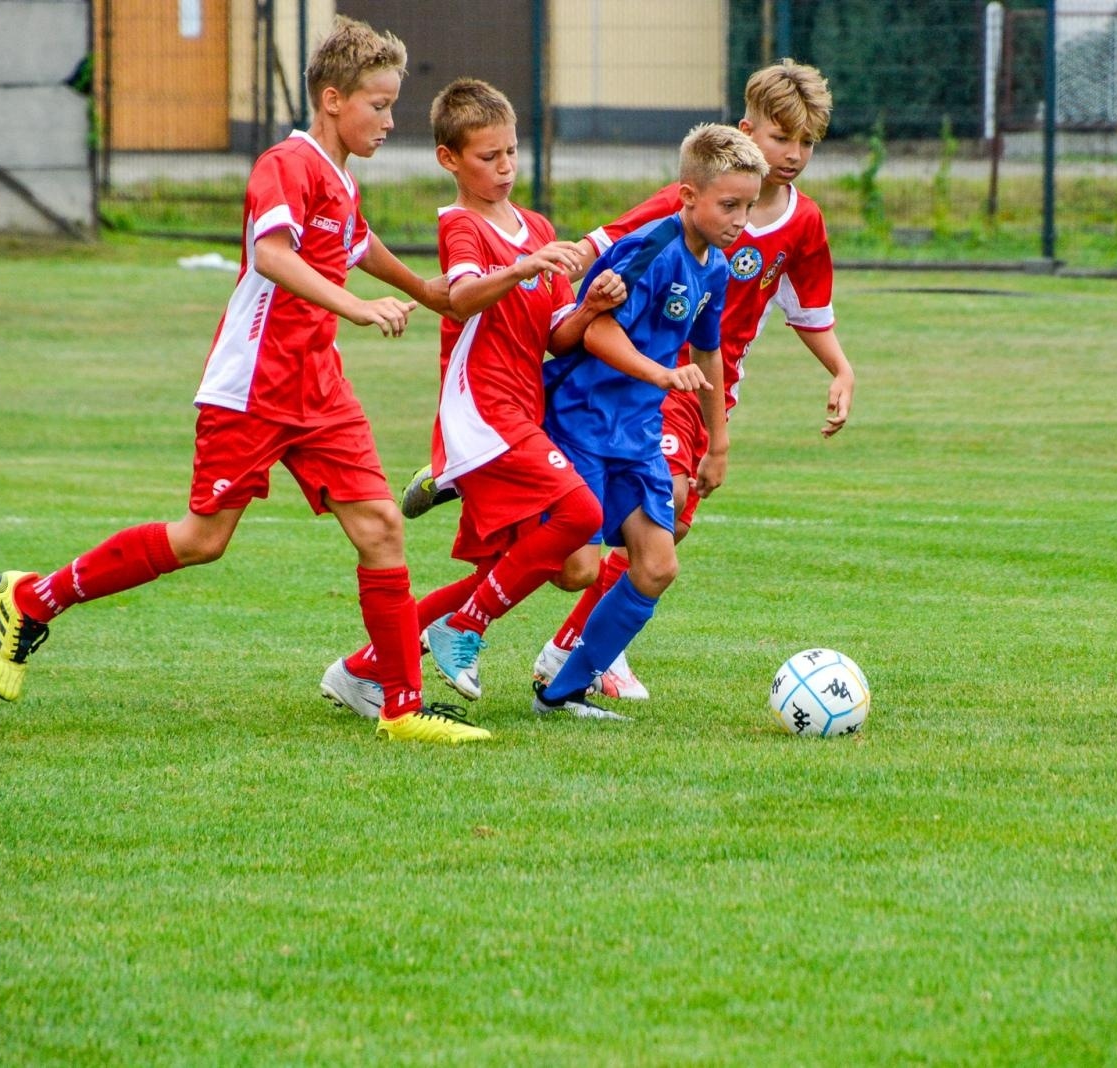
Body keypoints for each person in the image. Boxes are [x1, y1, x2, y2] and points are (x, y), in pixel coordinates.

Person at [0, 17, 487, 744]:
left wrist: (425, 290)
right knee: (202, 540)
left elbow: (356, 240)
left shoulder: (338, 180)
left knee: (379, 529)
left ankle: (402, 708)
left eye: (392, 105)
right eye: (378, 105)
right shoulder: (289, 162)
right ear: (333, 99)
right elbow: (274, 255)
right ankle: (33, 597)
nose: (389, 120)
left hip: (318, 385)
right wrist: (357, 306)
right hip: (253, 385)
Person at [402, 60, 856, 702]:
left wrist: (839, 368)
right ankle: (485, 517)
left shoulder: (786, 226)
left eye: (807, 142)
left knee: (649, 544)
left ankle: (567, 656)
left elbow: (796, 314)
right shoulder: (676, 216)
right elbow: (599, 249)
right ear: (746, 131)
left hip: (694, 393)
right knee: (612, 541)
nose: (795, 154)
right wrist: (566, 283)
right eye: (782, 138)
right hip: (631, 398)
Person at [318, 77, 622, 717]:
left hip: (521, 410)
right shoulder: (461, 225)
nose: (505, 168)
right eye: (489, 157)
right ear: (449, 160)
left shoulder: (535, 226)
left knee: (566, 567)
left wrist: (590, 305)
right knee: (581, 514)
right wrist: (520, 268)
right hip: (482, 412)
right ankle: (464, 628)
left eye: (511, 152)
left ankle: (363, 669)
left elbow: (559, 339)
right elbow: (458, 296)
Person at [532, 123, 767, 718]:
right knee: (576, 569)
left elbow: (708, 351)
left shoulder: (715, 265)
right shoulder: (649, 249)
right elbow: (598, 327)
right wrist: (659, 374)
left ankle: (563, 692)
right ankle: (483, 486)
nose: (741, 219)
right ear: (688, 196)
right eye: (729, 205)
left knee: (658, 565)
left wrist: (719, 440)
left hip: (635, 436)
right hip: (583, 418)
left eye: (749, 206)